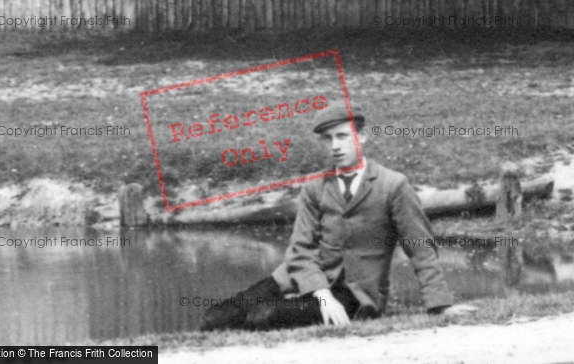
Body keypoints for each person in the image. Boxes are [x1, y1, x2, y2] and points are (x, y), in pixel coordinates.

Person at [201, 100, 474, 331]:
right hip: (299, 279)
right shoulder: (315, 186)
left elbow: (421, 248)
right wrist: (321, 295)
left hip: (354, 293)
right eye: (328, 139)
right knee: (216, 317)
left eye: (343, 136)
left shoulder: (393, 186)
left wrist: (440, 304)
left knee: (267, 315)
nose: (335, 146)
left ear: (362, 137)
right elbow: (299, 250)